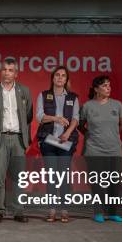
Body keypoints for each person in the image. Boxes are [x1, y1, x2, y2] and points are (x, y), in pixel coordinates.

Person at [0, 58, 33, 223]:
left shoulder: (24, 91)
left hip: (18, 139)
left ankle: (19, 210)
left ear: (16, 74)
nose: (7, 72)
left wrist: (24, 137)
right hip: (0, 138)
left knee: (19, 177)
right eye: (4, 69)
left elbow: (28, 116)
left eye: (10, 70)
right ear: (0, 72)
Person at [79, 75, 122, 223]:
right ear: (96, 89)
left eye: (109, 85)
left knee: (114, 182)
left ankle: (112, 212)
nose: (108, 88)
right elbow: (80, 125)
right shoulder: (87, 106)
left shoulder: (117, 105)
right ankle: (98, 212)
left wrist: (110, 134)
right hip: (94, 150)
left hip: (114, 150)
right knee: (97, 183)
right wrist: (91, 134)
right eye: (105, 86)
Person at [35, 66, 79, 223]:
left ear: (66, 80)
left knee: (64, 177)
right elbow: (39, 117)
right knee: (52, 177)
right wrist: (56, 118)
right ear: (52, 78)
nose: (60, 78)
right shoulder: (43, 95)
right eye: (57, 75)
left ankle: (65, 210)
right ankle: (52, 210)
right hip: (49, 141)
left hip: (66, 141)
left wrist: (67, 133)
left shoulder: (73, 97)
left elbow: (75, 118)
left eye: (63, 76)